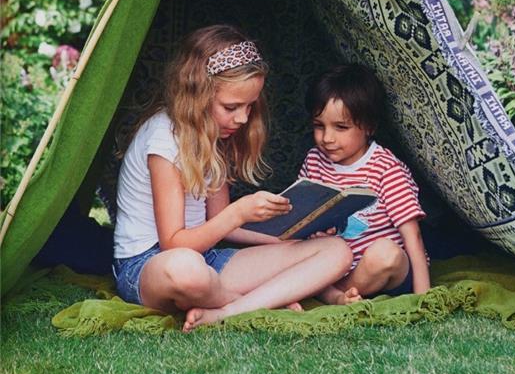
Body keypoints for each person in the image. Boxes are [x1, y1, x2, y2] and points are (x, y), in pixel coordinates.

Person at [113, 25, 352, 331]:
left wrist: (289, 234)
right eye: (231, 107)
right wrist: (239, 212)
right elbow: (174, 244)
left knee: (336, 250)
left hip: (206, 258)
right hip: (149, 265)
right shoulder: (164, 138)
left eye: (249, 106)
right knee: (185, 270)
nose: (242, 118)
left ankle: (225, 311)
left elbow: (221, 224)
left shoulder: (214, 135)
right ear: (197, 95)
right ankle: (249, 301)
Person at [300, 64, 430, 305]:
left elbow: (412, 236)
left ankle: (329, 294)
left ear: (368, 127)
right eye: (319, 126)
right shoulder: (314, 160)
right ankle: (332, 293)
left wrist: (423, 298)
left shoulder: (385, 167)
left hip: (382, 269)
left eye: (341, 127)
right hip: (331, 264)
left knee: (385, 254)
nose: (327, 138)